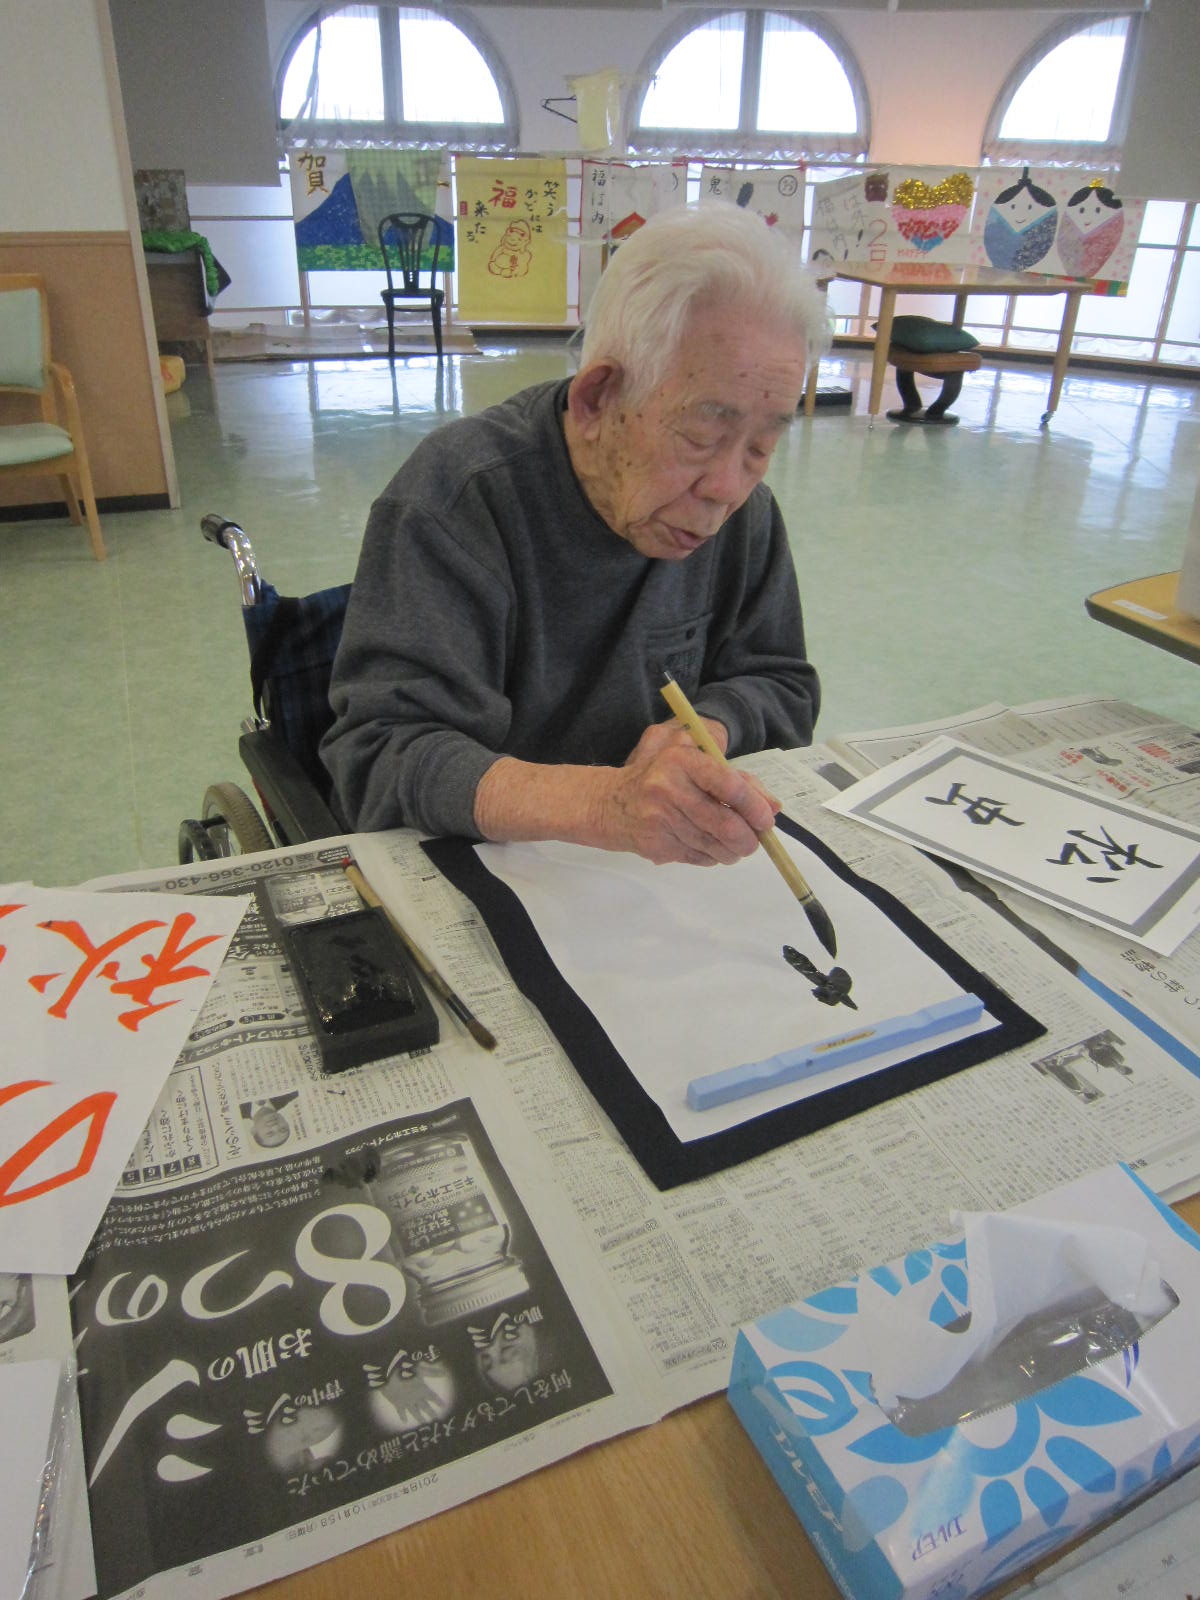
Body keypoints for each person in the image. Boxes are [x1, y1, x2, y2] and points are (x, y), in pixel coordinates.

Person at [322, 203, 830, 868]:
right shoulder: (457, 500)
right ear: (597, 399)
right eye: (701, 435)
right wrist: (607, 805)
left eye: (762, 446)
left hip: (645, 877)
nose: (728, 488)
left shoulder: (745, 514)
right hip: (500, 866)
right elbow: (382, 753)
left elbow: (781, 681)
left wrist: (710, 725)